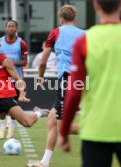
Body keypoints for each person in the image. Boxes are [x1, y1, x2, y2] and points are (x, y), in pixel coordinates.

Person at [59, 1, 121, 167]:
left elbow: (75, 91)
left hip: (96, 130)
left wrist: (64, 131)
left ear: (95, 6)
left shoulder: (84, 41)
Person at [27, 5, 85, 167]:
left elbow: (43, 60)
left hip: (68, 79)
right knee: (51, 121)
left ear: (61, 19)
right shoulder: (85, 34)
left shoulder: (56, 32)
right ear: (75, 18)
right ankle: (44, 162)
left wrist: (40, 77)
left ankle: (102, 130)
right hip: (82, 79)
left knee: (63, 128)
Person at [0, 20, 33, 140]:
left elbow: (25, 62)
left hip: (17, 79)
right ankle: (2, 127)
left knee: (13, 106)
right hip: (2, 79)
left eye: (13, 27)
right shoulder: (0, 42)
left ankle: (11, 127)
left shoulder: (21, 43)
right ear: (5, 28)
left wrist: (11, 63)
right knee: (1, 106)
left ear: (16, 29)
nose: (11, 28)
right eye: (9, 26)